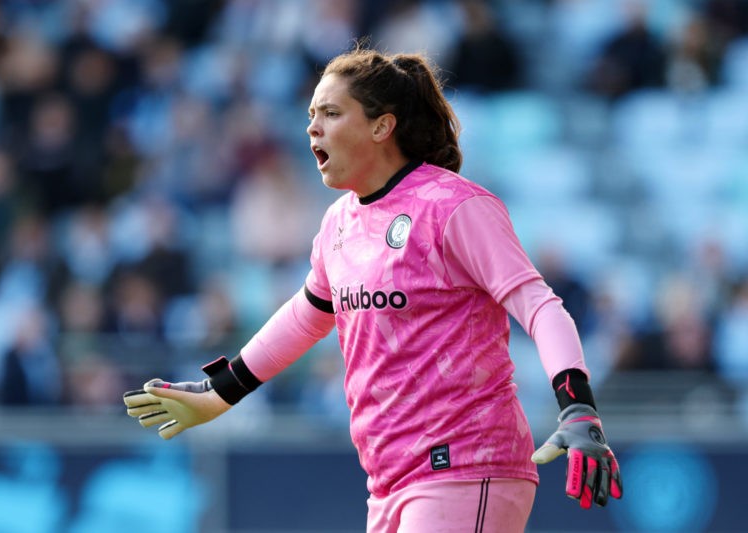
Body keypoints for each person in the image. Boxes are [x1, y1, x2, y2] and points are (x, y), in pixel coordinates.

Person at [124, 46, 622, 532]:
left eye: (332, 113)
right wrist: (222, 392)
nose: (312, 128)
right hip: (387, 479)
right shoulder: (340, 222)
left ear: (382, 127)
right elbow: (308, 314)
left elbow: (538, 305)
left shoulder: (454, 207)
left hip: (467, 464)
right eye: (311, 114)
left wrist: (577, 407)